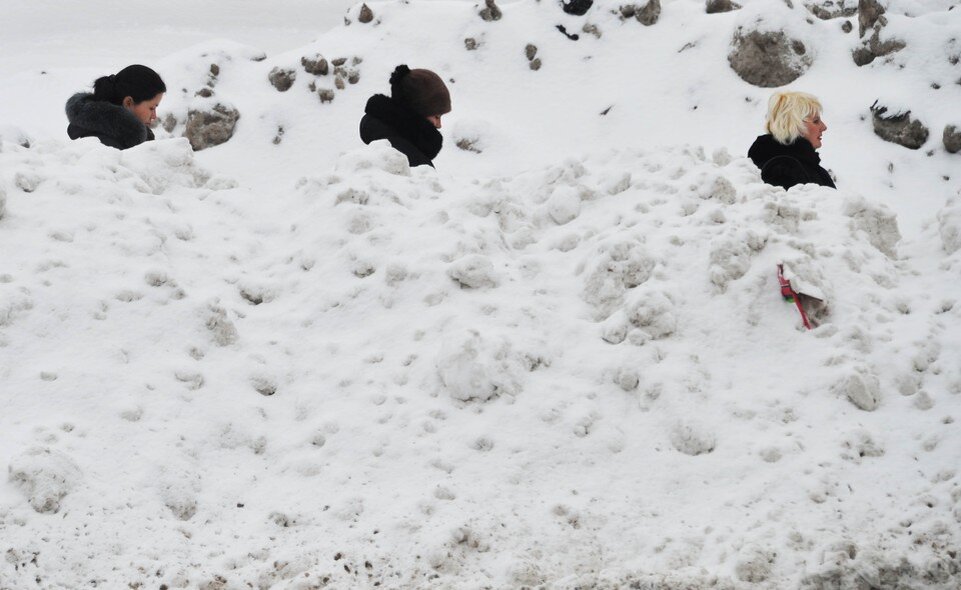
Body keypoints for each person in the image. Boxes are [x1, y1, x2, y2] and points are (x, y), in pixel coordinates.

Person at [359, 65, 451, 168]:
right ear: (416, 112)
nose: (439, 125)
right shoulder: (410, 162)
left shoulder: (384, 144)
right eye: (436, 117)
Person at [748, 91, 836, 190]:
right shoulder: (783, 169)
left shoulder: (807, 166)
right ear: (793, 125)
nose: (824, 127)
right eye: (815, 121)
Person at [65, 65, 166, 150]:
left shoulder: (126, 139)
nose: (154, 116)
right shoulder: (106, 148)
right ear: (128, 102)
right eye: (151, 108)